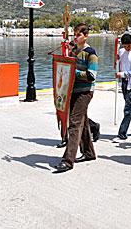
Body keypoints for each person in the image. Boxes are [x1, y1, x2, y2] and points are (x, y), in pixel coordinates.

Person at [55, 24, 98, 173]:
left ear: (85, 36)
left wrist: (74, 73)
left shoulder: (91, 53)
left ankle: (67, 161)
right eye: (74, 34)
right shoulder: (73, 51)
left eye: (78, 35)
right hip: (73, 91)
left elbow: (92, 75)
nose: (75, 37)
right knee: (83, 122)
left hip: (84, 92)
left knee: (74, 123)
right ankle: (88, 152)